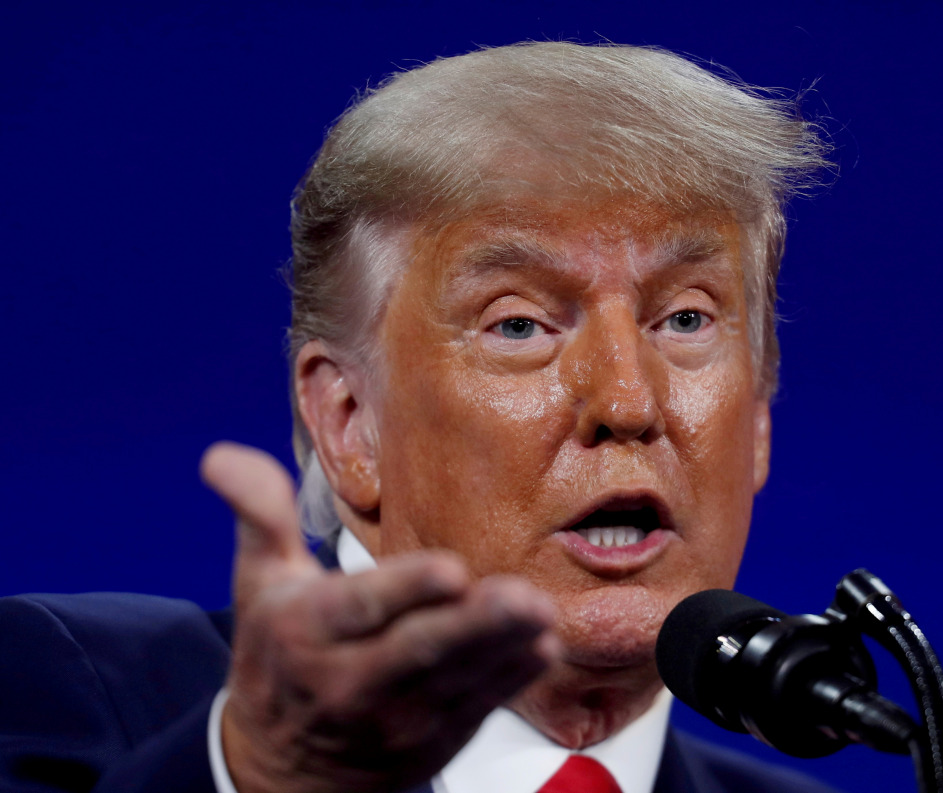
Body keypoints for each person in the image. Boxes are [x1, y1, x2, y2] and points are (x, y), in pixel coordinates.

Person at [0, 41, 836, 793]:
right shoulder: (68, 684)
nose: (628, 402)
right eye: (518, 324)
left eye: (686, 319)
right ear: (350, 422)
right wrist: (264, 777)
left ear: (758, 419)